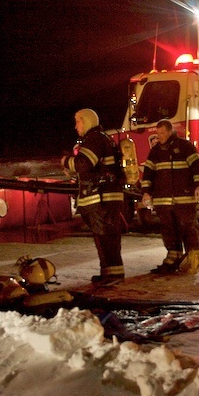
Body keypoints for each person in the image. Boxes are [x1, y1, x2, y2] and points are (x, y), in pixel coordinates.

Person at [61, 109, 126, 285]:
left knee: (105, 236)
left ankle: (113, 275)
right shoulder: (102, 138)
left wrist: (66, 161)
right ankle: (109, 272)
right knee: (106, 236)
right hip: (107, 195)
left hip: (101, 197)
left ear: (87, 121)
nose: (76, 126)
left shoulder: (94, 139)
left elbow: (83, 164)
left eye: (78, 122)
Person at [141, 119, 199, 274]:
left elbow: (197, 167)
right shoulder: (155, 151)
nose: (160, 136)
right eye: (158, 133)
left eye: (163, 133)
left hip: (184, 198)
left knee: (188, 228)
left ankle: (194, 259)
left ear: (170, 131)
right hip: (163, 200)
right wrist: (146, 192)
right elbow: (148, 173)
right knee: (168, 230)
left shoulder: (185, 147)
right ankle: (173, 258)